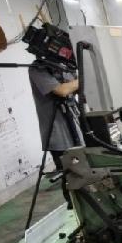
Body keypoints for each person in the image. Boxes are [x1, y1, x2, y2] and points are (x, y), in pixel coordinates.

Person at [28, 59, 84, 207]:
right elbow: (62, 90)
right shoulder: (38, 68)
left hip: (76, 127)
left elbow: (75, 88)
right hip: (58, 134)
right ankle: (76, 207)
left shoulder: (63, 66)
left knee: (86, 171)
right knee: (70, 176)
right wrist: (83, 79)